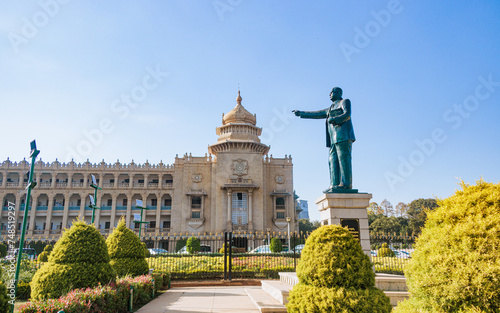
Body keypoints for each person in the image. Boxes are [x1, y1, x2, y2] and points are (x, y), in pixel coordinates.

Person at [293, 87, 356, 192]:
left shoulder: (344, 102)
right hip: (332, 140)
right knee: (332, 161)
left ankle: (346, 184)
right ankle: (334, 184)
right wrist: (301, 114)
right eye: (330, 93)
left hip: (343, 136)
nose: (330, 94)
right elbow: (317, 113)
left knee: (344, 160)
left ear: (339, 93)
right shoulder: (330, 108)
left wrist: (334, 119)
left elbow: (347, 115)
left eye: (332, 92)